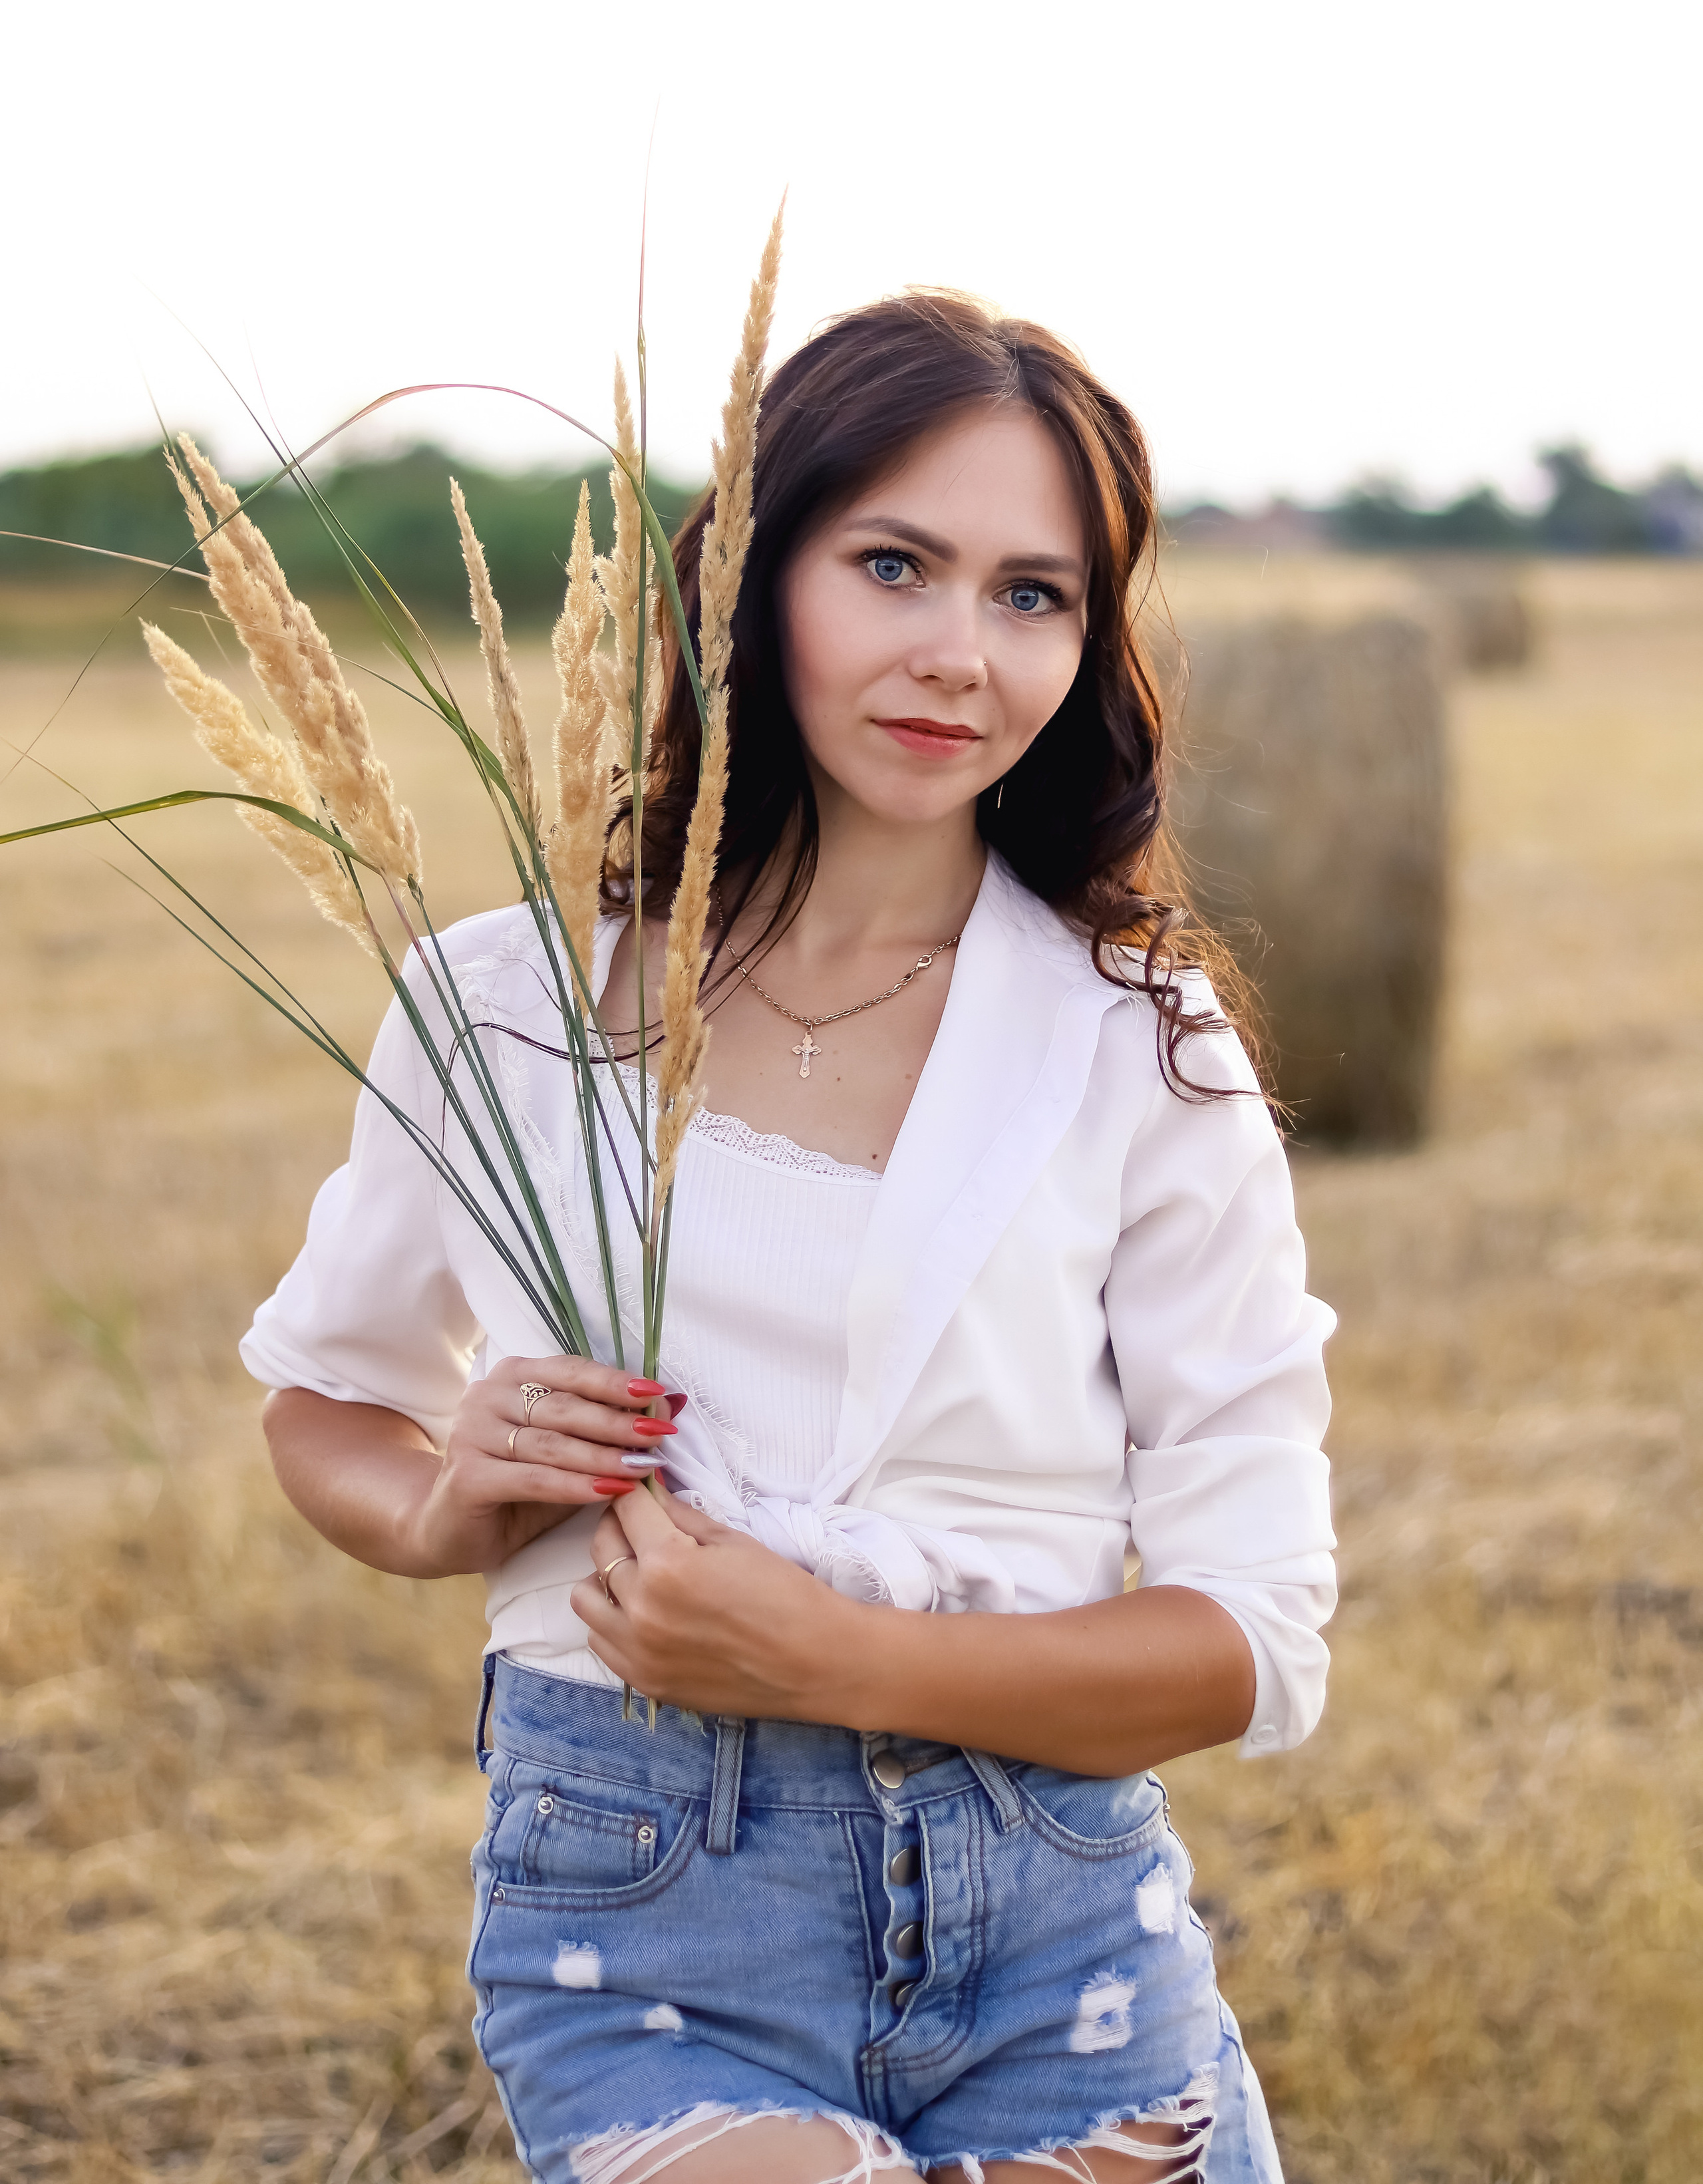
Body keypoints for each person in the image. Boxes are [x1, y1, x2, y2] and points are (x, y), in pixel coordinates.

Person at [244, 293, 1335, 2184]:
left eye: (1032, 596)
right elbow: (327, 1395)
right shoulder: (506, 1002)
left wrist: (831, 1658)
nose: (958, 655)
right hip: (654, 1919)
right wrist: (439, 1509)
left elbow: (1256, 1641)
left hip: (1057, 1921)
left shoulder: (1138, 1049)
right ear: (751, 580)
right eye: (894, 565)